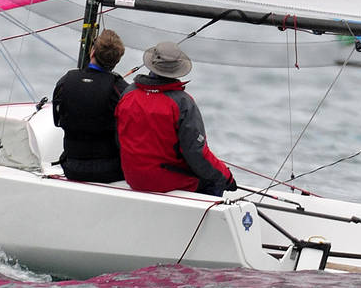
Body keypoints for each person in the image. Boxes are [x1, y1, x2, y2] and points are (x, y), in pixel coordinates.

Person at [115, 40, 236, 196]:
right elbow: (196, 153)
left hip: (132, 177)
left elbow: (119, 139)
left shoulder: (128, 93)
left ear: (151, 65)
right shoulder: (183, 102)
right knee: (214, 181)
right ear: (177, 69)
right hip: (164, 181)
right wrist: (227, 177)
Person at [51, 28, 128, 182]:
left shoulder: (65, 81)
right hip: (111, 171)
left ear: (92, 52)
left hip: (71, 167)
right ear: (117, 61)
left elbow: (57, 121)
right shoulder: (122, 90)